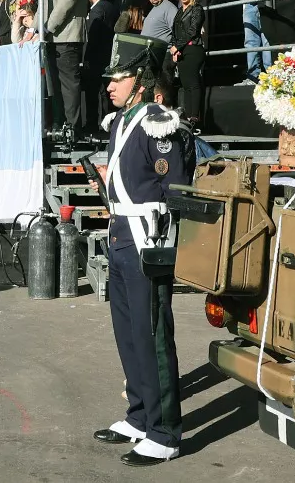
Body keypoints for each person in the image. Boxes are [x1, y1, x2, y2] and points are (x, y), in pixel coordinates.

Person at [92, 33, 194, 466]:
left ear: (138, 80)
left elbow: (174, 187)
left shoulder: (158, 121)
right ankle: (139, 414)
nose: (110, 86)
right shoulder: (121, 122)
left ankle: (165, 430)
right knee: (127, 331)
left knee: (152, 335)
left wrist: (164, 239)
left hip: (145, 237)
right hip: (120, 234)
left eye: (117, 78)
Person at [44, 0, 89, 136]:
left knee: (68, 83)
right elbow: (45, 1)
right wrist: (34, 28)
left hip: (66, 35)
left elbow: (66, 2)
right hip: (51, 36)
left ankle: (73, 127)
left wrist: (47, 27)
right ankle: (59, 123)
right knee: (53, 83)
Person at [164, 0, 206, 126]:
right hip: (182, 50)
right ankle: (188, 116)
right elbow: (175, 32)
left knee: (193, 84)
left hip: (193, 49)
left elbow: (192, 31)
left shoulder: (197, 9)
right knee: (186, 85)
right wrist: (175, 48)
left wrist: (177, 46)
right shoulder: (180, 11)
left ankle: (194, 117)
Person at [83, 0, 119, 132]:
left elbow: (93, 35)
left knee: (93, 92)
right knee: (108, 91)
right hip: (110, 54)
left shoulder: (96, 10)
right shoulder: (112, 7)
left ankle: (92, 124)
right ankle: (110, 121)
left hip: (96, 57)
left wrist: (86, 57)